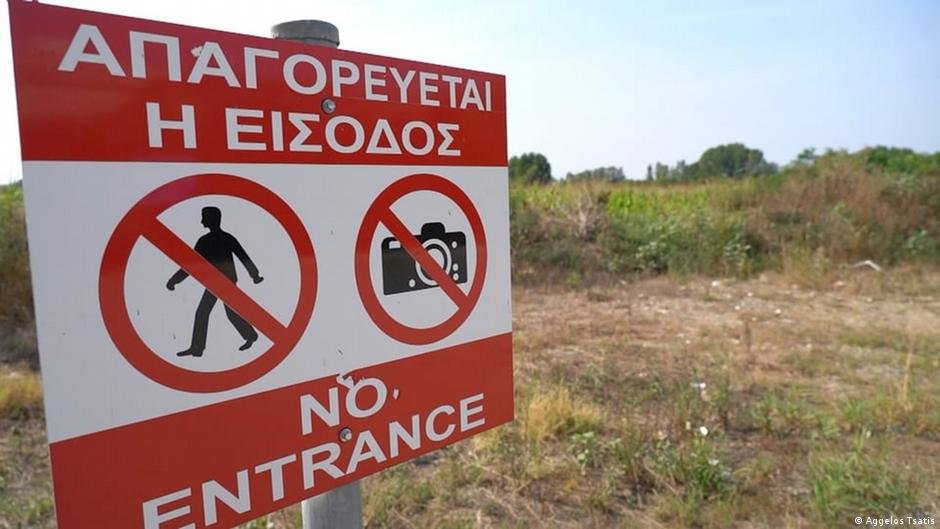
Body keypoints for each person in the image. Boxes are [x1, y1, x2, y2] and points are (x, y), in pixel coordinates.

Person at [166, 206, 263, 357]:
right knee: (212, 313)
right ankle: (199, 348)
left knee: (214, 313)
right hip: (214, 283)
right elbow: (191, 265)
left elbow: (242, 256)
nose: (201, 221)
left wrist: (254, 274)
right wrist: (174, 280)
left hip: (226, 282)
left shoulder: (225, 238)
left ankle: (199, 348)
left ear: (213, 219)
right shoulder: (204, 241)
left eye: (204, 217)